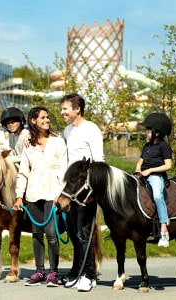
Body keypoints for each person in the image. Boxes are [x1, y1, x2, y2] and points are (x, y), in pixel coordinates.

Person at [13, 106, 67, 287]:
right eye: (42, 117)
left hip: (52, 193)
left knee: (51, 234)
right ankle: (39, 271)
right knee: (37, 234)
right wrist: (19, 196)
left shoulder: (58, 142)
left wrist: (59, 194)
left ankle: (53, 272)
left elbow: (64, 169)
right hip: (33, 194)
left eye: (47, 117)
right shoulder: (29, 146)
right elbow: (23, 173)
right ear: (34, 121)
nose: (47, 120)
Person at [59, 93, 104, 292]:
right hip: (70, 191)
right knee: (74, 234)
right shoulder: (66, 131)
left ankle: (89, 275)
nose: (62, 113)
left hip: (86, 192)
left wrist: (94, 190)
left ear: (77, 109)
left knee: (85, 234)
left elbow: (99, 161)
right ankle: (77, 271)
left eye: (65, 109)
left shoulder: (91, 129)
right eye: (62, 109)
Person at [135, 112, 173, 248]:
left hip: (155, 176)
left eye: (148, 130)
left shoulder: (164, 147)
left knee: (157, 196)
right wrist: (138, 168)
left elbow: (168, 165)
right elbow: (140, 160)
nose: (146, 132)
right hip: (142, 174)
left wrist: (150, 171)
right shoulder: (147, 146)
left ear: (156, 133)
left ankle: (164, 229)